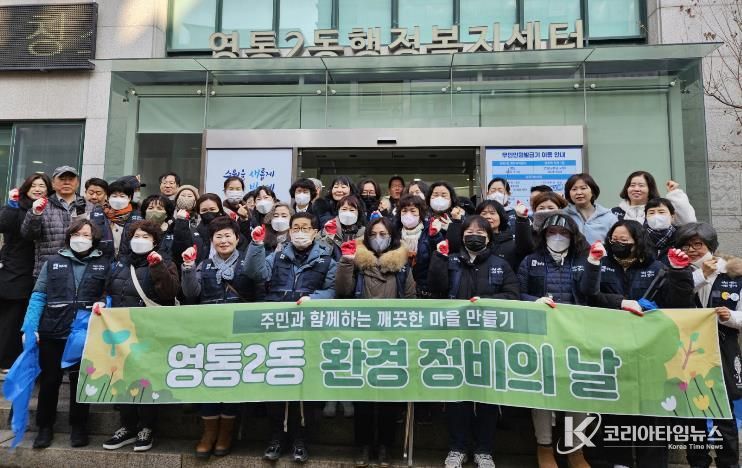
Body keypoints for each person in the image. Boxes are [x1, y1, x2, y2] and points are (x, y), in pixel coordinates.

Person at [590, 220, 694, 468]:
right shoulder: (601, 265)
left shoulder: (657, 267)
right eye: (614, 239)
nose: (618, 244)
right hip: (613, 349)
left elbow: (679, 303)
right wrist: (620, 302)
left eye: (624, 240)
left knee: (652, 413)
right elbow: (589, 296)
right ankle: (619, 462)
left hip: (651, 351)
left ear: (638, 242)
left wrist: (679, 273)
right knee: (616, 411)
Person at [428, 215, 519, 468]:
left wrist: (487, 302)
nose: (474, 236)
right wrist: (438, 259)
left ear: (489, 237)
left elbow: (513, 295)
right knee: (457, 396)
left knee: (487, 396)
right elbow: (436, 289)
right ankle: (457, 448)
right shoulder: (450, 260)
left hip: (489, 340)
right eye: (469, 232)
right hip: (454, 340)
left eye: (480, 232)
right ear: (461, 236)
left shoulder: (500, 264)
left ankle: (484, 450)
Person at [246, 212, 337, 463]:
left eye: (305, 228)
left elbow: (334, 289)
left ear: (315, 232)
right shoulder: (277, 255)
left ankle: (301, 440)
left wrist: (314, 299)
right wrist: (256, 246)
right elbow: (255, 273)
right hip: (277, 330)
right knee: (276, 383)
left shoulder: (327, 259)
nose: (300, 232)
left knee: (304, 386)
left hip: (309, 331)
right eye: (295, 227)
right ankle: (276, 437)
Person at [517, 213, 602, 468]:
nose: (557, 237)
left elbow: (590, 292)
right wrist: (535, 301)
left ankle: (575, 449)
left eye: (564, 233)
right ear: (543, 235)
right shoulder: (530, 261)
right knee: (543, 391)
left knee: (577, 390)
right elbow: (517, 292)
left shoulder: (581, 260)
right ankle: (544, 447)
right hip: (541, 336)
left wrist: (594, 264)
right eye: (552, 232)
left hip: (577, 335)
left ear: (573, 236)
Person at [20, 219, 109, 449]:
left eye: (86, 235)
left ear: (94, 239)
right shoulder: (52, 262)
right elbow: (39, 295)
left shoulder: (103, 264)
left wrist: (104, 302)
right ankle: (44, 427)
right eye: (77, 234)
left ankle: (79, 427)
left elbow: (108, 294)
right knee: (50, 381)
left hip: (84, 333)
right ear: (69, 237)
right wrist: (30, 327)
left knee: (80, 381)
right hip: (52, 330)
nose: (81, 238)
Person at [180, 216, 264, 458]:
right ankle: (208, 433)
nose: (223, 240)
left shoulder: (248, 262)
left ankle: (226, 433)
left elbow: (260, 291)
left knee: (232, 382)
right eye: (218, 236)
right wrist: (188, 267)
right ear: (211, 240)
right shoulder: (204, 265)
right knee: (209, 381)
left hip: (241, 334)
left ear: (237, 239)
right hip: (210, 334)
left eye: (228, 235)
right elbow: (191, 293)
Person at [335, 217, 415, 467]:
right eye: (374, 234)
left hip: (392, 341)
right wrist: (346, 262)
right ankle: (363, 446)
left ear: (392, 237)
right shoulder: (357, 263)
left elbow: (411, 301)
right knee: (363, 398)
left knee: (389, 399)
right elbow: (342, 291)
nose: (378, 238)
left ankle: (384, 447)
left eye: (384, 234)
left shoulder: (402, 268)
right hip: (362, 340)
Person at [101, 220, 179, 453]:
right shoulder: (119, 264)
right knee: (123, 378)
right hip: (121, 333)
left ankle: (147, 427)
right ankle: (127, 426)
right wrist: (101, 303)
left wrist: (158, 267)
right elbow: (107, 290)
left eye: (146, 237)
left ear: (155, 241)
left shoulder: (166, 263)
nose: (140, 240)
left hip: (150, 334)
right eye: (136, 236)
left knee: (146, 380)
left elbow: (169, 292)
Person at [675, 222, 742, 468]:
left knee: (724, 409)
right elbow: (673, 301)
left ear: (710, 246)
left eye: (698, 244)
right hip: (686, 351)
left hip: (723, 348)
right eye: (686, 245)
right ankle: (698, 462)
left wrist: (730, 317)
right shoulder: (677, 272)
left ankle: (729, 463)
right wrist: (700, 275)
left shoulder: (735, 274)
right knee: (692, 410)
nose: (692, 250)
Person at [0, 174, 52, 373]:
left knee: (31, 317)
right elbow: (3, 225)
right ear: (26, 188)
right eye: (34, 185)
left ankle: (28, 360)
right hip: (15, 269)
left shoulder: (51, 207)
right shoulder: (17, 206)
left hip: (39, 267)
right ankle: (6, 360)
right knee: (12, 316)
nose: (38, 189)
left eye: (42, 185)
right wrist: (11, 205)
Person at [21, 165, 87, 277]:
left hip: (80, 271)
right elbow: (28, 235)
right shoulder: (41, 205)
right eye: (62, 179)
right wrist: (35, 214)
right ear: (53, 183)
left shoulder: (89, 206)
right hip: (47, 271)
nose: (66, 182)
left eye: (71, 179)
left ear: (77, 183)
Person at [448, 200, 517, 270]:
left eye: (492, 213)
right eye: (484, 213)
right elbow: (453, 247)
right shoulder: (469, 239)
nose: (488, 217)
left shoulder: (511, 242)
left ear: (501, 217)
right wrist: (456, 221)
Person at [612, 171, 696, 225]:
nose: (636, 189)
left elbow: (688, 222)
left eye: (641, 185)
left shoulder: (659, 210)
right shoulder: (614, 212)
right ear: (627, 188)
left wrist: (674, 193)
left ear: (650, 189)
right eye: (632, 185)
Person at [89, 179, 143, 260]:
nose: (118, 199)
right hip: (102, 260)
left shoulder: (138, 217)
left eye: (122, 196)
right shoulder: (97, 215)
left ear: (129, 198)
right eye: (114, 196)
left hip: (128, 261)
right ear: (108, 197)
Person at [563, 173, 618, 244]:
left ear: (592, 191)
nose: (579, 192)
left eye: (583, 188)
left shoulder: (609, 218)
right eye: (574, 189)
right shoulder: (563, 216)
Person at [514, 191, 569, 262]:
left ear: (560, 209)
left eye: (551, 208)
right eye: (541, 208)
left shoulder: (568, 229)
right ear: (535, 210)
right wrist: (522, 219)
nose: (546, 211)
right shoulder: (530, 230)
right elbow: (523, 248)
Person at [397, 194, 434, 297]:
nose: (408, 214)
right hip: (401, 288)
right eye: (404, 211)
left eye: (413, 211)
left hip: (424, 290)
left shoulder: (430, 233)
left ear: (420, 213)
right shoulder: (394, 233)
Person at [320, 195, 366, 260]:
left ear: (358, 213)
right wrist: (329, 236)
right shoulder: (329, 227)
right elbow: (320, 250)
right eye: (344, 209)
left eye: (352, 210)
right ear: (338, 211)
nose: (348, 213)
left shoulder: (364, 231)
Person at [140, 194, 175, 260]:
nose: (154, 211)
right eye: (150, 208)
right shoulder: (137, 230)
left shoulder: (173, 231)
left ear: (167, 213)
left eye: (159, 209)